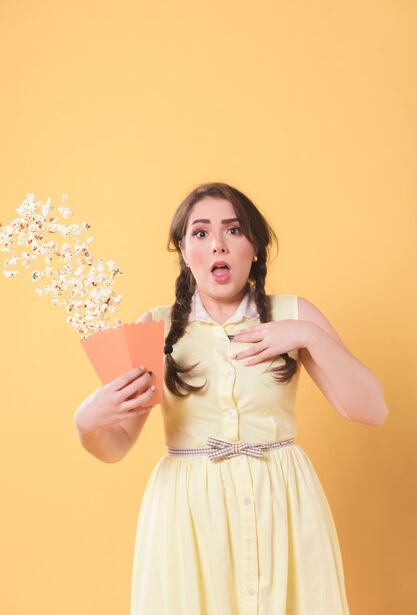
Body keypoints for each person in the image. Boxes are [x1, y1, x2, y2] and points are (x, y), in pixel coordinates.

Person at [74, 182, 388, 615]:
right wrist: (86, 424)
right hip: (187, 516)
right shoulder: (154, 327)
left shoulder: (295, 314)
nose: (217, 245)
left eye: (233, 231)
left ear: (254, 247)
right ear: (184, 252)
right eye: (200, 233)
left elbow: (373, 409)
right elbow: (115, 446)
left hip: (284, 506)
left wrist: (309, 336)